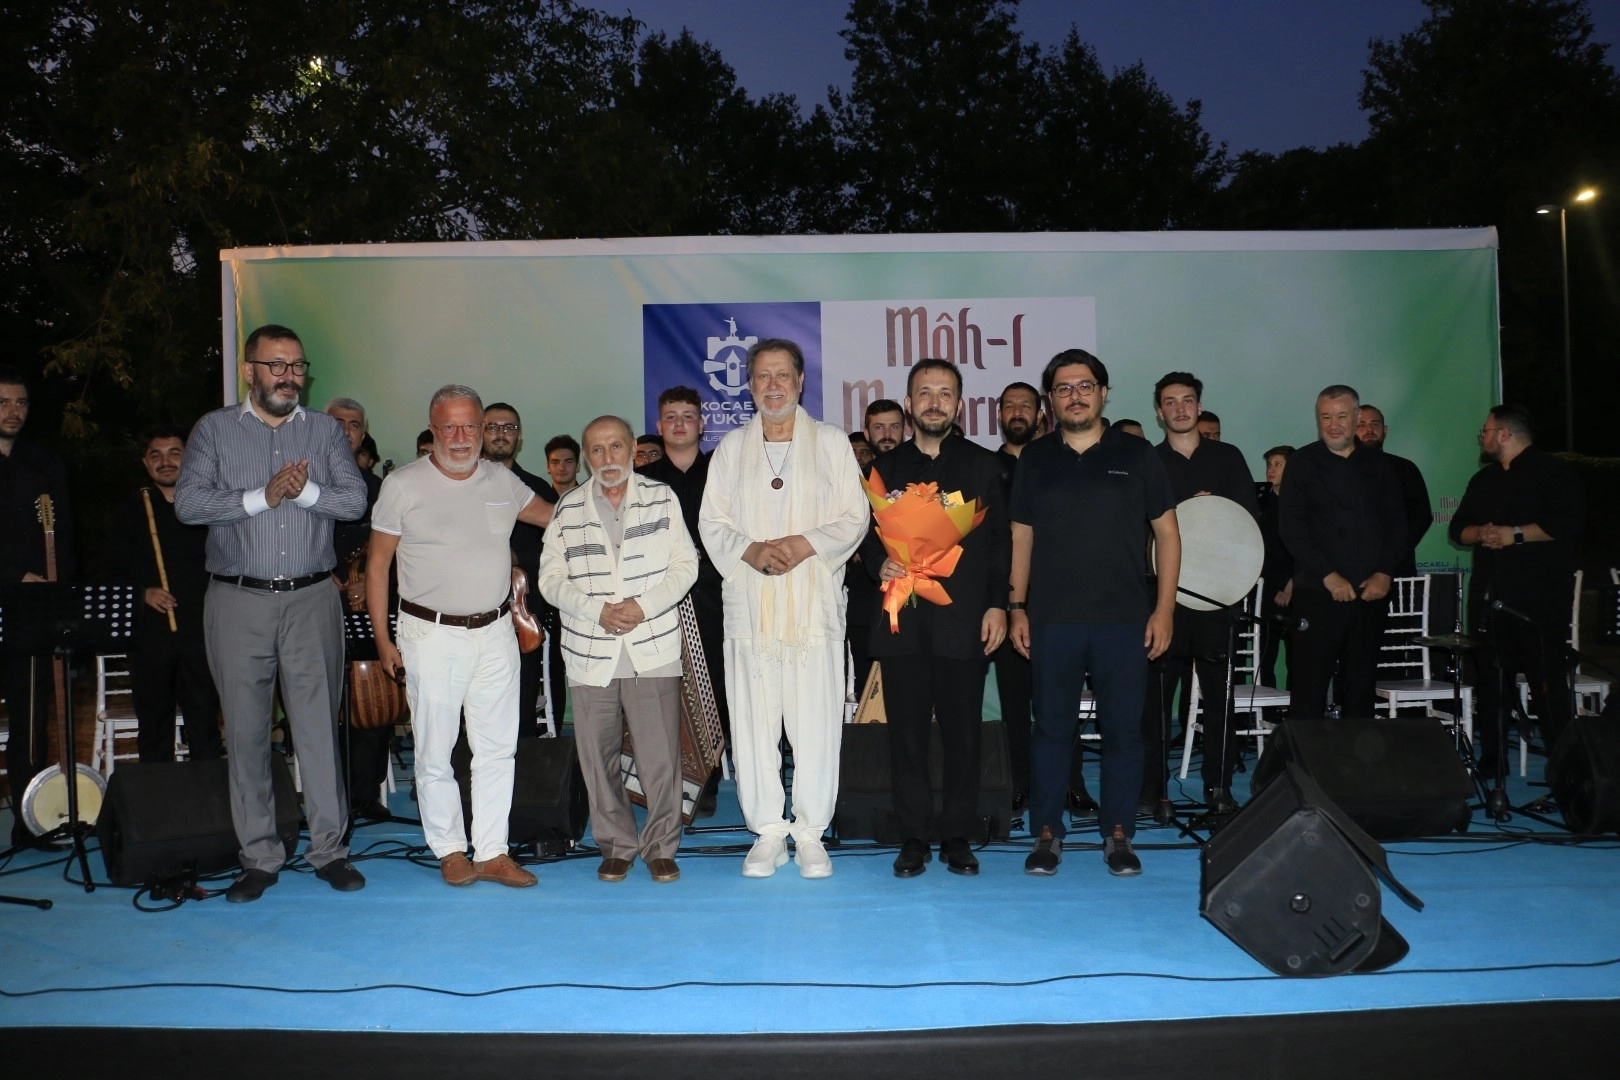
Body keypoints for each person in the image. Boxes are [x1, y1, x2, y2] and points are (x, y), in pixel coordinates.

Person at [174, 324, 367, 902]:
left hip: (312, 598)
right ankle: (259, 857)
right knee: (247, 731)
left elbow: (355, 500)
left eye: (297, 366)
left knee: (318, 730)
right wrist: (265, 496)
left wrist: (304, 493)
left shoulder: (325, 431)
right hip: (238, 600)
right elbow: (188, 504)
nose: (289, 376)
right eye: (276, 365)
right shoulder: (214, 429)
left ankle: (329, 851)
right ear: (249, 371)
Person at [367, 385, 554, 889]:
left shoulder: (501, 479)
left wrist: (610, 500)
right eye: (448, 426)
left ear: (481, 428)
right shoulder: (402, 485)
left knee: (497, 748)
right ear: (432, 429)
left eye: (470, 425)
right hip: (429, 634)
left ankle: (492, 852)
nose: (460, 436)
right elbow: (378, 565)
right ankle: (450, 849)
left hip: (496, 632)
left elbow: (554, 517)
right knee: (435, 749)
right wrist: (383, 641)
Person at [699, 338, 868, 879]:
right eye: (762, 377)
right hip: (752, 607)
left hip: (812, 608)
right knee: (753, 724)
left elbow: (855, 515)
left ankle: (811, 832)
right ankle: (768, 832)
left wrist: (805, 544)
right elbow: (712, 522)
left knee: (816, 723)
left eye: (782, 375)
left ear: (800, 382)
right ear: (750, 386)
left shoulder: (832, 443)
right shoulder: (731, 449)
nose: (772, 386)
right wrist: (751, 550)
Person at [1009, 349, 1179, 878]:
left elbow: (1168, 535)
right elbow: (1021, 537)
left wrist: (1164, 609)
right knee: (1051, 731)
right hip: (1052, 620)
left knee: (1124, 732)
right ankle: (1047, 832)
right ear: (1050, 400)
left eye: (1085, 385)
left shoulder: (1138, 453)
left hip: (1125, 619)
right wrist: (1016, 606)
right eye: (1063, 388)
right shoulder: (1035, 458)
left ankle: (1118, 833)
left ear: (1104, 393)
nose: (1075, 395)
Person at [861, 359, 1009, 877]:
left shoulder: (984, 466)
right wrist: (875, 562)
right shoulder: (883, 469)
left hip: (963, 619)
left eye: (945, 393)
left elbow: (1000, 542)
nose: (934, 402)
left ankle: (958, 834)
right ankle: (913, 836)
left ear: (959, 405)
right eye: (925, 392)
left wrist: (999, 604)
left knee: (964, 733)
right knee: (906, 736)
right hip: (903, 619)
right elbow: (862, 533)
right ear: (909, 403)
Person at [540, 416, 697, 883]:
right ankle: (616, 845)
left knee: (660, 759)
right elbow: (550, 579)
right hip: (590, 651)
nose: (607, 458)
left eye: (615, 447)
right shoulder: (568, 508)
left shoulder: (662, 497)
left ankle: (661, 846)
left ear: (631, 449)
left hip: (652, 648)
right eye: (597, 449)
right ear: (586, 457)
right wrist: (596, 611)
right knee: (597, 757)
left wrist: (642, 607)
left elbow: (685, 565)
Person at [1144, 373, 1258, 813]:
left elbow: (1249, 521)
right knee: (1157, 700)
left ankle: (1219, 788)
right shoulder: (1149, 461)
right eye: (1170, 402)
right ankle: (1155, 791)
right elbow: (1138, 525)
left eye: (1187, 400)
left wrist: (1218, 511)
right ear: (1160, 412)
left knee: (1219, 697)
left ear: (1198, 405)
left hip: (1217, 596)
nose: (1180, 409)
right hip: (1164, 600)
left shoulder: (1228, 457)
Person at [1449, 405, 1583, 771]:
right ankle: (1494, 761)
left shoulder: (1554, 472)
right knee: (1491, 681)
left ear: (1505, 434)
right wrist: (1481, 533)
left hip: (1539, 599)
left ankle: (1565, 768)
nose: (1482, 437)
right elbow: (1458, 529)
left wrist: (1516, 534)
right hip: (1489, 598)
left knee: (1546, 681)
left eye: (1486, 430)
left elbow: (1568, 523)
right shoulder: (1483, 480)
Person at [1277, 385, 1405, 721]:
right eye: (1326, 417)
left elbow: (1397, 525)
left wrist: (1384, 573)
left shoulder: (1379, 464)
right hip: (1317, 592)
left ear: (1356, 417)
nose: (1333, 425)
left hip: (1370, 594)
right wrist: (1328, 575)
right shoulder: (1302, 462)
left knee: (1360, 688)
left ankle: (1357, 756)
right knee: (1308, 689)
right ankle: (1307, 756)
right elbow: (1291, 528)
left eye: (1342, 416)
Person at [104, 427, 223, 764]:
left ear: (189, 459)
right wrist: (143, 593)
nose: (165, 461)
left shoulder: (207, 509)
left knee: (204, 722)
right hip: (151, 635)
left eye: (174, 453)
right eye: (155, 455)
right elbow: (111, 572)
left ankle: (207, 794)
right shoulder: (129, 513)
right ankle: (157, 796)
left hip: (201, 630)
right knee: (154, 725)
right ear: (145, 463)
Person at [1, 366, 76, 847]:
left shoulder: (43, 464)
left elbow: (64, 535)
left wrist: (56, 586)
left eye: (21, 402)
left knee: (31, 719)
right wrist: (12, 576)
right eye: (3, 402)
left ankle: (28, 824)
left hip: (30, 609)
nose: (14, 411)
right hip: (9, 590)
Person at [638, 387, 729, 748]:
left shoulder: (723, 474)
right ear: (659, 426)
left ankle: (717, 760)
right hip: (660, 597)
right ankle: (669, 761)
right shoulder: (641, 481)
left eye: (688, 417)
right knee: (664, 682)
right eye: (671, 417)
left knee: (718, 677)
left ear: (701, 425)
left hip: (717, 594)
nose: (679, 424)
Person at [325, 396, 392, 820]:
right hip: (317, 601)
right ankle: (330, 797)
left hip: (371, 604)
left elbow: (398, 545)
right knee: (325, 701)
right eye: (337, 423)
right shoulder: (304, 479)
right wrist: (326, 578)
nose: (345, 431)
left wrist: (371, 582)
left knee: (375, 699)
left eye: (353, 425)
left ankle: (366, 794)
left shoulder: (380, 489)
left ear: (363, 434)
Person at [482, 402, 562, 740]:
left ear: (520, 437)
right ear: (480, 431)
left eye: (509, 428)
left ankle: (525, 749)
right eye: (493, 427)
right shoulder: (463, 483)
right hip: (473, 603)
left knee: (523, 682)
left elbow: (553, 551)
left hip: (522, 606)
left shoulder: (537, 489)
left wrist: (515, 559)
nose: (501, 434)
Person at [1357, 405, 1432, 576]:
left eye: (1375, 424)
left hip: (1396, 568)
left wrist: (1396, 551)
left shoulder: (1405, 468)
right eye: (1361, 424)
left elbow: (1421, 515)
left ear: (1385, 430)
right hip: (1349, 570)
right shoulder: (1338, 471)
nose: (1369, 429)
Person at [1256, 445, 1295, 689]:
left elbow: (1309, 551)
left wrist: (1291, 587)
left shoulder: (1302, 505)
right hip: (1264, 587)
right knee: (1263, 656)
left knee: (1298, 658)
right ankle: (1266, 706)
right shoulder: (1260, 503)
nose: (1271, 469)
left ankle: (1296, 707)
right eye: (1269, 464)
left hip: (1297, 586)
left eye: (1278, 464)